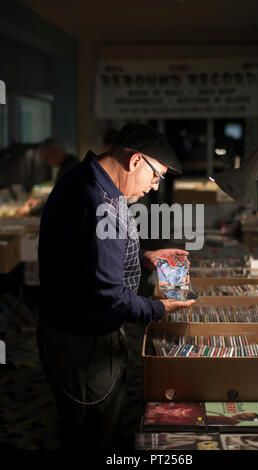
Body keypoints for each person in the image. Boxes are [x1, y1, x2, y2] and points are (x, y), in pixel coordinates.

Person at [36, 123, 196, 450]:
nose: (154, 188)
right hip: (82, 344)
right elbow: (110, 297)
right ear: (136, 161)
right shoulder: (99, 200)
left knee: (99, 425)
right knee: (93, 435)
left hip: (78, 335)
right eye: (156, 177)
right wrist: (159, 309)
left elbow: (92, 254)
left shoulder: (93, 181)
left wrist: (143, 255)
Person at [17, 138, 79, 216]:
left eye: (47, 158)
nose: (47, 163)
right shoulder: (69, 165)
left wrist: (31, 211)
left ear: (55, 152)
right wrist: (41, 203)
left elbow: (59, 202)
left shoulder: (69, 170)